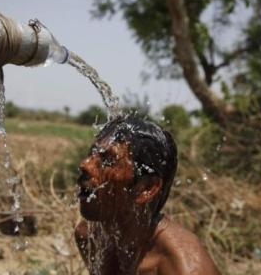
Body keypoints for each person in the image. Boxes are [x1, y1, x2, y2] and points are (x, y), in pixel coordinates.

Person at [74, 115, 219, 275]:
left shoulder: (184, 268)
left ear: (147, 188)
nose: (85, 165)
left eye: (108, 160)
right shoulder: (90, 237)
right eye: (91, 153)